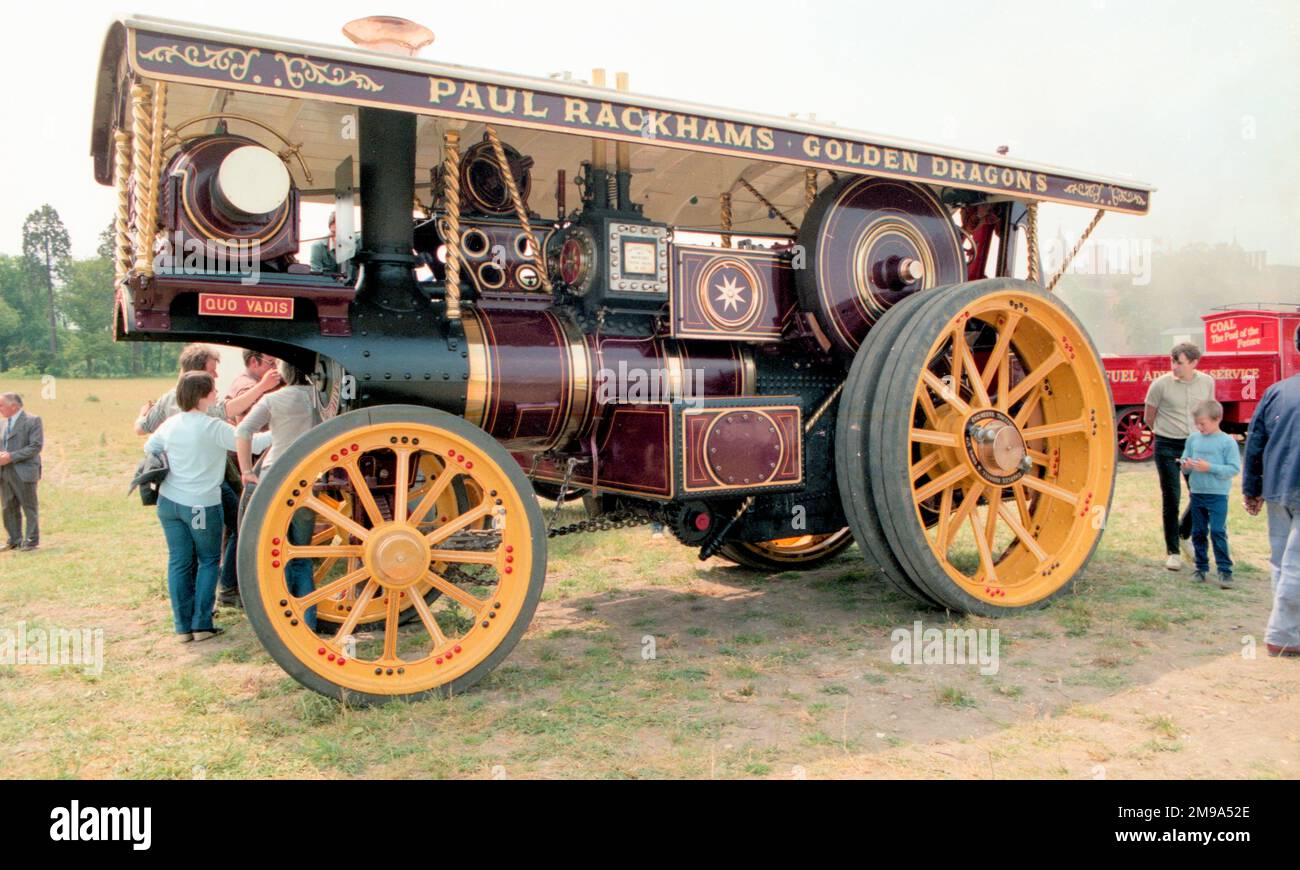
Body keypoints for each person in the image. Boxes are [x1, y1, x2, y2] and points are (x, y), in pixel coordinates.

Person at [144, 372, 271, 643]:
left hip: (169, 502)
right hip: (200, 504)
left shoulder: (170, 424)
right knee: (208, 560)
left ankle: (182, 627)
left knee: (178, 561)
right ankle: (202, 623)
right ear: (203, 396)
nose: (216, 394)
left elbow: (149, 446)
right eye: (213, 390)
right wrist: (282, 430)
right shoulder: (212, 427)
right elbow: (254, 442)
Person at [235, 361, 320, 630]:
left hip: (275, 477)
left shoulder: (272, 399)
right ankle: (308, 622)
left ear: (283, 373)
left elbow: (243, 429)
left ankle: (279, 622)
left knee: (275, 553)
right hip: (308, 477)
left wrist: (246, 469)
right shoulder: (320, 398)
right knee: (302, 555)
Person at [1242, 332, 1300, 658]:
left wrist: (1252, 488)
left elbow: (1255, 442)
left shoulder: (1275, 391)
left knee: (1281, 561)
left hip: (1276, 486)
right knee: (1295, 565)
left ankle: (1290, 631)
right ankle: (1282, 636)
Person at [216, 349, 279, 608]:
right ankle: (232, 585)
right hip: (246, 463)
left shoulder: (250, 383)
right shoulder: (247, 386)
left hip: (241, 463)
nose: (275, 368)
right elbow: (246, 430)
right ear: (254, 362)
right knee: (243, 526)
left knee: (237, 526)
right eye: (271, 362)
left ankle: (230, 582)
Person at [1144, 342, 1215, 570]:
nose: (1174, 366)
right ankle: (1173, 552)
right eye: (1172, 361)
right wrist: (1167, 432)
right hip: (1166, 445)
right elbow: (1149, 417)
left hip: (1194, 445)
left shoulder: (1207, 383)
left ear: (1194, 363)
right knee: (1171, 497)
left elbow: (1209, 411)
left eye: (1180, 363)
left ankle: (1184, 533)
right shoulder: (1160, 385)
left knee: (1201, 494)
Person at [1179, 400, 1240, 587]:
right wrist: (1186, 465)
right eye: (1197, 423)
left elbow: (1233, 468)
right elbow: (1185, 462)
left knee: (1217, 531)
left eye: (1203, 423)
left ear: (1217, 419)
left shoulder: (1227, 442)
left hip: (1218, 495)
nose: (1199, 427)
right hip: (1197, 493)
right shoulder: (1193, 439)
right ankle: (1201, 567)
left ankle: (1225, 570)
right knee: (1198, 532)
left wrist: (1210, 467)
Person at [0, 393, 43, 552]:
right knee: (8, 507)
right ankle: (14, 539)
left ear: (14, 406)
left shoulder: (32, 420)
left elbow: (35, 447)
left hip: (24, 471)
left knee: (29, 506)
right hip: (5, 472)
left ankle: (31, 541)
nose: (0, 409)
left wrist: (12, 456)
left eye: (1, 405)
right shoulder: (2, 424)